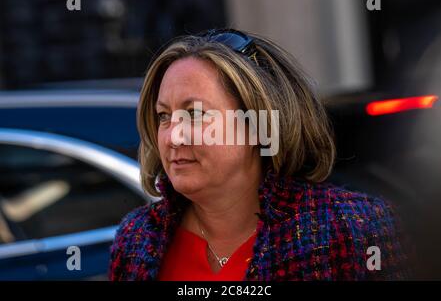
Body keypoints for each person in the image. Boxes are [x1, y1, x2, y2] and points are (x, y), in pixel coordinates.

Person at [108, 29, 408, 281]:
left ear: (258, 124)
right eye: (163, 116)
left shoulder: (355, 228)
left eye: (195, 114)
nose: (173, 135)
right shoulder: (137, 240)